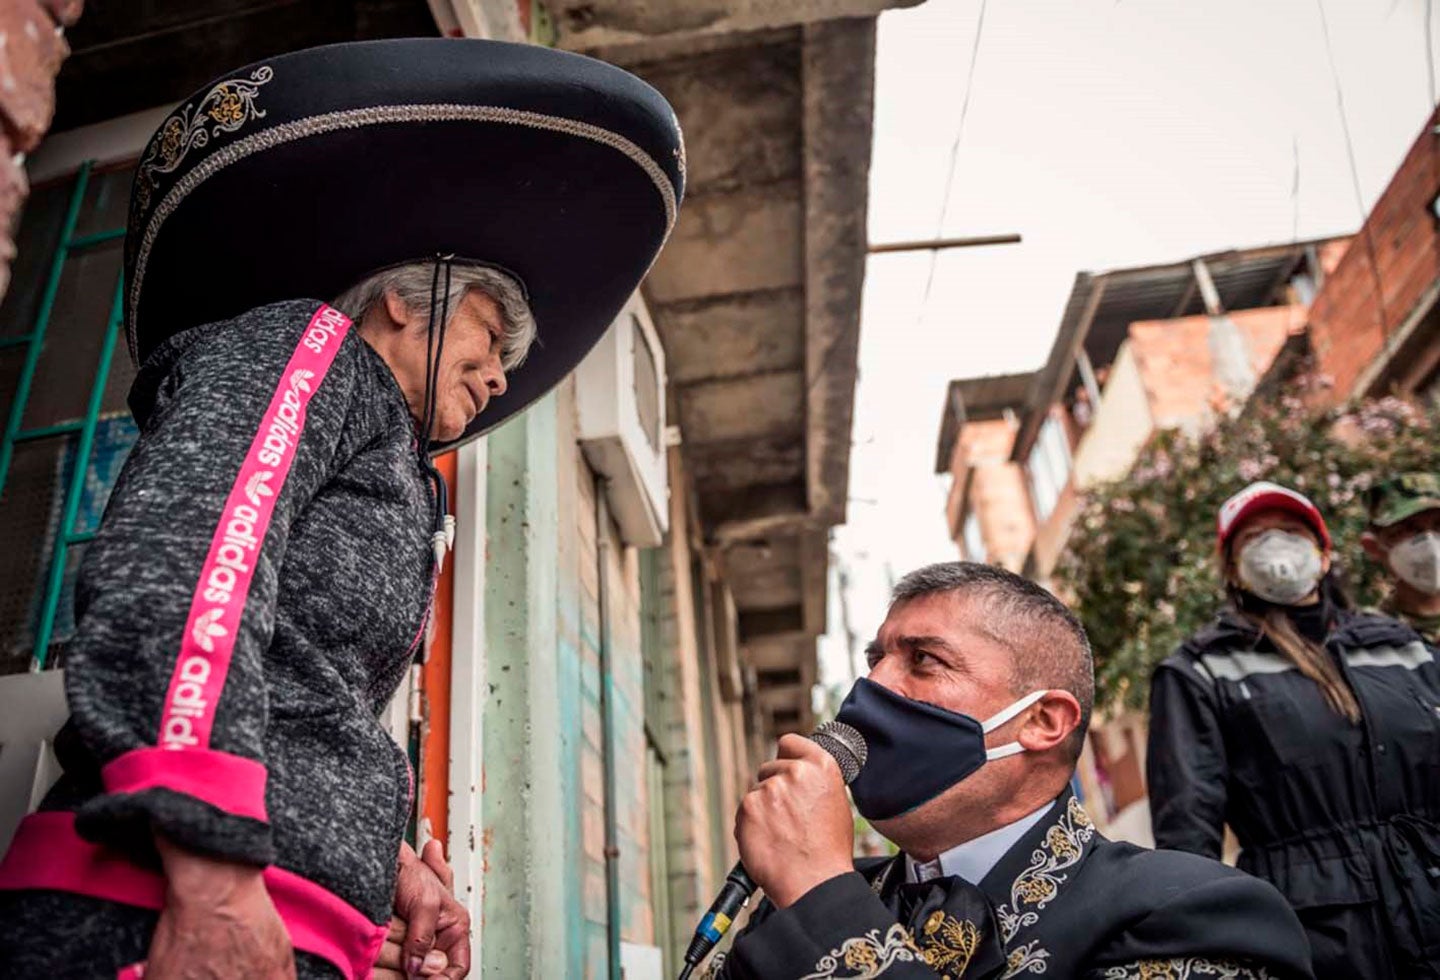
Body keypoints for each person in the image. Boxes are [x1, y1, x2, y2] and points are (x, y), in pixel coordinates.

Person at [0, 38, 684, 980]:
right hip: (160, 916)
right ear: (402, 300)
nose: (498, 378)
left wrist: (384, 862)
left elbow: (304, 690)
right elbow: (190, 562)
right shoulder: (313, 347)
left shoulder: (400, 465)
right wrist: (212, 872)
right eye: (490, 337)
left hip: (291, 927)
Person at [711, 562, 1311, 980]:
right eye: (875, 659)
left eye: (924, 660)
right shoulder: (787, 908)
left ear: (1043, 721)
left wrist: (821, 894)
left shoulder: (1193, 913)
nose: (872, 686)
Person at [1148, 480, 1440, 980]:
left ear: (1324, 555)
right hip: (1319, 937)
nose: (1275, 545)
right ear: (1232, 568)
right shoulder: (1201, 671)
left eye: (1290, 529)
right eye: (1253, 537)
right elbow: (1187, 839)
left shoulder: (1401, 646)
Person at [1362, 472, 1440, 644]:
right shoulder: (1368, 637)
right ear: (1373, 547)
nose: (1429, 541)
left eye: (1439, 525)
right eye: (1406, 530)